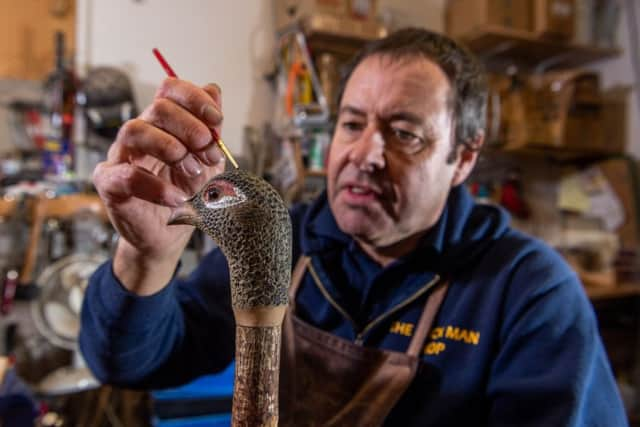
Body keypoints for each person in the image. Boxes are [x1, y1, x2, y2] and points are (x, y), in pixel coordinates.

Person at [80, 28, 628, 426]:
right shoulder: (281, 242)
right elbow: (129, 363)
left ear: (463, 159)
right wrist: (146, 255)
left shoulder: (529, 292)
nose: (365, 154)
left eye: (405, 133)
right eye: (352, 123)